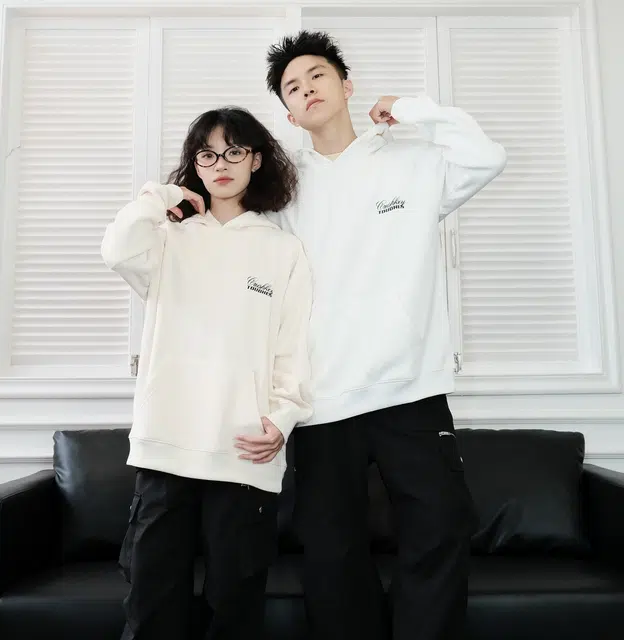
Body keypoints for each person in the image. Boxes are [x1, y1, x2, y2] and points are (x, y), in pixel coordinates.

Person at [241, 30, 507, 640]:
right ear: (289, 113)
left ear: (346, 86)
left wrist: (412, 109)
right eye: (293, 87)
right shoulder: (283, 189)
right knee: (331, 551)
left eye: (317, 75)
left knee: (440, 528)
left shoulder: (413, 163)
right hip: (322, 397)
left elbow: (487, 157)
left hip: (411, 388)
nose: (307, 88)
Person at [101, 106, 313, 640]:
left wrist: (283, 418)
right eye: (207, 154)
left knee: (234, 607)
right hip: (166, 446)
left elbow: (293, 348)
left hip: (244, 451)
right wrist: (160, 196)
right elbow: (116, 249)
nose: (221, 164)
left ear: (256, 160)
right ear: (194, 165)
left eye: (234, 152)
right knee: (152, 605)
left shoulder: (282, 248)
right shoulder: (169, 238)